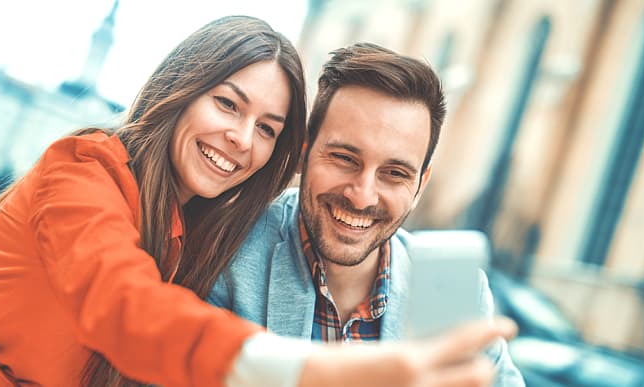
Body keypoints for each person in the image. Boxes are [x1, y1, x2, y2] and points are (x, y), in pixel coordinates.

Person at [0, 15, 516, 387]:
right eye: (228, 105)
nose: (243, 140)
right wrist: (327, 373)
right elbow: (128, 308)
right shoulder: (89, 175)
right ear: (306, 156)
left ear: (421, 182)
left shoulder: (199, 228)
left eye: (267, 127)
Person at [209, 42, 525, 386]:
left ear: (420, 184)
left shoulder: (457, 294)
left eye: (394, 173)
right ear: (304, 153)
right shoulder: (227, 250)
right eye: (344, 158)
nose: (361, 196)